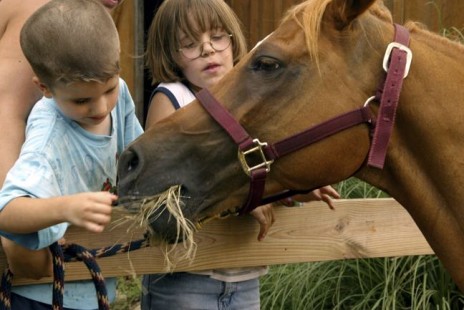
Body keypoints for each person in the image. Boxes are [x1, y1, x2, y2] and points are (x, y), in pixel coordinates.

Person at [142, 0, 340, 309]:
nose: (208, 49)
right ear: (172, 56)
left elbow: (263, 173)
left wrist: (290, 188)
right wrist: (242, 198)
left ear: (233, 40)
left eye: (217, 37)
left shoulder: (253, 104)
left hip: (244, 276)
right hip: (186, 279)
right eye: (190, 44)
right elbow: (161, 192)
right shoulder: (173, 99)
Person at [0, 0, 143, 309]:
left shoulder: (120, 96)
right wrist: (65, 208)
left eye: (108, 89)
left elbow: (142, 161)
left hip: (90, 284)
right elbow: (8, 211)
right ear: (45, 88)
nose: (101, 108)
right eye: (81, 100)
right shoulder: (48, 138)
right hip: (41, 294)